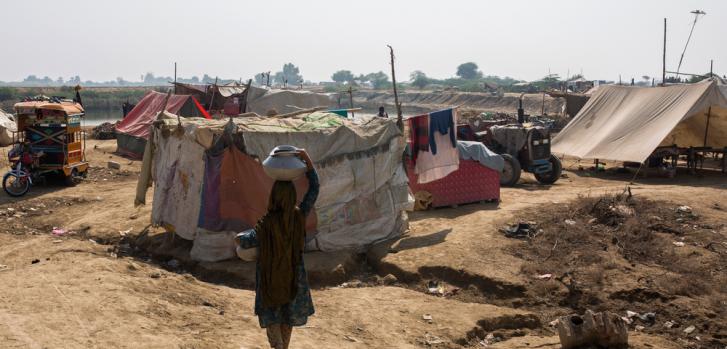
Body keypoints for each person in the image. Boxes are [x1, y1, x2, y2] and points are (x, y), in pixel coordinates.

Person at [236, 149, 319, 349]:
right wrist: (307, 160)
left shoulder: (266, 224)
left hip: (270, 283)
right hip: (293, 281)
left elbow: (246, 242)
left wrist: (238, 237)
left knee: (276, 340)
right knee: (286, 330)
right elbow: (314, 189)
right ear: (291, 197)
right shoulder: (299, 217)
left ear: (273, 197)